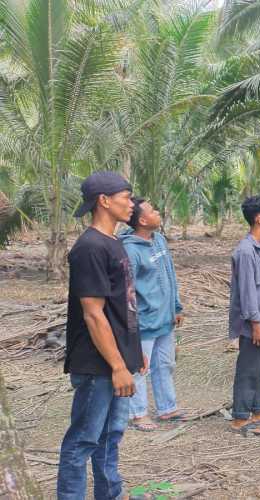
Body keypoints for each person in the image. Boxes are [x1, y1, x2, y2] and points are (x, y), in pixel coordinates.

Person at [58, 171, 146, 500]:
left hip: (116, 360)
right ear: (104, 201)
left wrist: (133, 353)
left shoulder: (113, 242)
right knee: (82, 441)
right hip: (98, 366)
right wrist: (118, 366)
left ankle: (109, 494)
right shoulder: (90, 248)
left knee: (111, 437)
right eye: (126, 197)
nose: (132, 204)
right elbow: (93, 313)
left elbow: (121, 305)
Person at [120, 198, 185, 432]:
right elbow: (128, 292)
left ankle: (167, 407)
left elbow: (170, 274)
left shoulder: (158, 240)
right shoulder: (129, 249)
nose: (158, 212)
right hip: (144, 322)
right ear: (142, 220)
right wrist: (132, 324)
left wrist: (176, 307)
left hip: (165, 319)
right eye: (153, 210)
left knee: (165, 364)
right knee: (140, 368)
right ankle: (138, 414)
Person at [228, 195, 260, 435]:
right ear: (259, 219)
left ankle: (259, 409)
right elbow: (247, 292)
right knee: (249, 369)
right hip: (254, 324)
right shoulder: (246, 252)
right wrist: (256, 324)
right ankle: (240, 415)